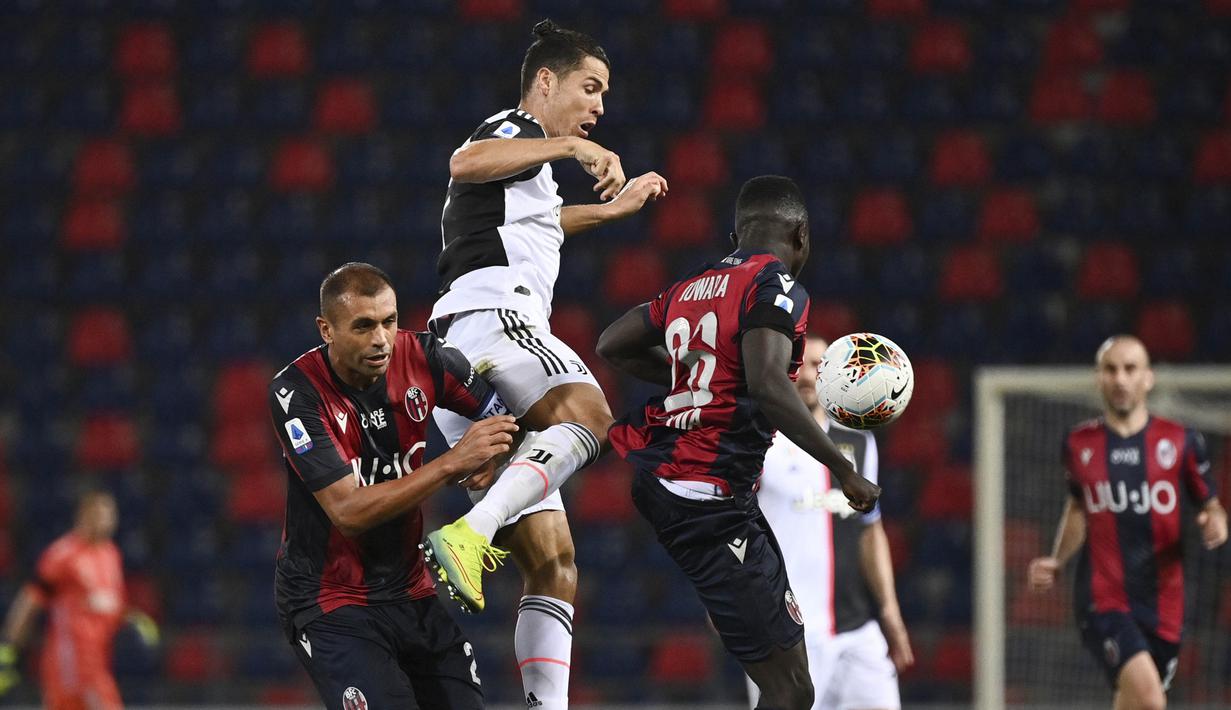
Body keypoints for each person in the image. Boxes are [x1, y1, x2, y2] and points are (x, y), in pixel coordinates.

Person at [421, 18, 668, 710]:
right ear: (545, 82)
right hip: (495, 317)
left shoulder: (527, 167)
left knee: (554, 563)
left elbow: (536, 222)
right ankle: (469, 535)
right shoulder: (512, 127)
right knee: (591, 413)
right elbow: (463, 162)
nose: (598, 106)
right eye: (590, 89)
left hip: (463, 349)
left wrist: (611, 212)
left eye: (603, 96)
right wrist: (570, 145)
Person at [597, 175, 881, 710]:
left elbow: (612, 342)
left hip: (680, 483)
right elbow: (772, 385)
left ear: (736, 234)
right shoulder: (776, 288)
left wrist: (699, 383)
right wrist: (843, 471)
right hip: (707, 496)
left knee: (789, 685)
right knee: (791, 691)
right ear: (800, 235)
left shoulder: (694, 283)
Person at [268, 262, 519, 710]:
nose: (380, 339)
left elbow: (501, 416)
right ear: (326, 329)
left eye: (389, 321)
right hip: (331, 601)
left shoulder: (427, 357)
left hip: (410, 589)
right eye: (362, 326)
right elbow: (348, 512)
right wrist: (451, 463)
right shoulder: (297, 393)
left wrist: (495, 453)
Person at [1027, 335, 1227, 710]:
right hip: (1103, 598)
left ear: (1148, 378)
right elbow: (1077, 508)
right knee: (1151, 698)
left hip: (1165, 603)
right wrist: (1058, 560)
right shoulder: (1078, 444)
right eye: (1111, 369)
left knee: (1133, 703)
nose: (1120, 379)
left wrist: (1215, 523)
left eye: (1130, 369)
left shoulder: (1181, 441)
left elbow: (1211, 506)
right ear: (1098, 377)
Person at [747, 335, 913, 710]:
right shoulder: (761, 443)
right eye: (799, 364)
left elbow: (870, 531)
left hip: (858, 631)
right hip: (788, 636)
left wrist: (890, 611)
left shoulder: (860, 442)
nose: (808, 375)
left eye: (819, 365)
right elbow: (730, 525)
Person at [0, 491, 159, 710]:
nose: (106, 522)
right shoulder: (63, 555)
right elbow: (30, 601)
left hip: (99, 662)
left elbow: (109, 605)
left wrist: (131, 619)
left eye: (110, 515)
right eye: (99, 515)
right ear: (83, 515)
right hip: (72, 664)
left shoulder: (110, 555)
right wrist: (9, 649)